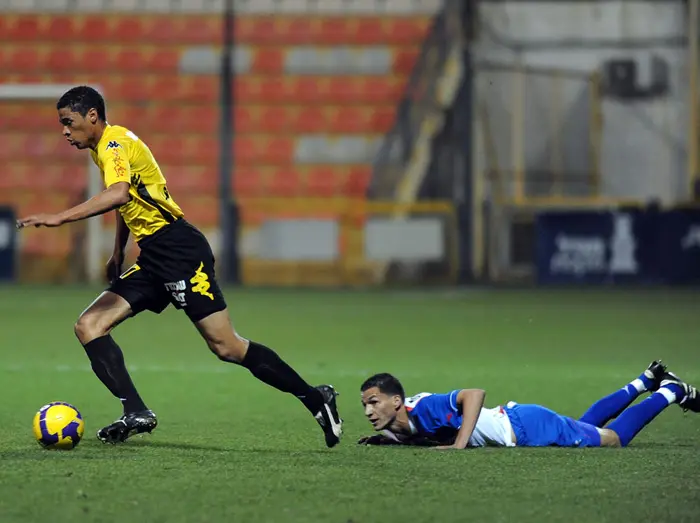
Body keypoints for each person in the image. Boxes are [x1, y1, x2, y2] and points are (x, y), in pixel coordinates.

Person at [16, 86, 343, 447]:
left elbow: (118, 194)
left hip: (180, 251)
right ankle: (135, 410)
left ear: (92, 116)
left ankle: (316, 398)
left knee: (227, 347)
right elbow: (130, 201)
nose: (64, 131)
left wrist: (60, 218)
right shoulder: (104, 148)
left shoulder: (113, 145)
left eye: (68, 122)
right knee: (89, 325)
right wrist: (117, 250)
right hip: (153, 255)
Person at [357, 361, 699, 449]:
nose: (369, 411)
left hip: (524, 427)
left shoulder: (426, 407)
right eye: (365, 406)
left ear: (398, 401)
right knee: (582, 424)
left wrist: (459, 445)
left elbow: (474, 393)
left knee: (613, 439)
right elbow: (417, 436)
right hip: (522, 418)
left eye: (374, 403)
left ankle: (671, 391)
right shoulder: (397, 427)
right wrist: (381, 438)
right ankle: (645, 379)